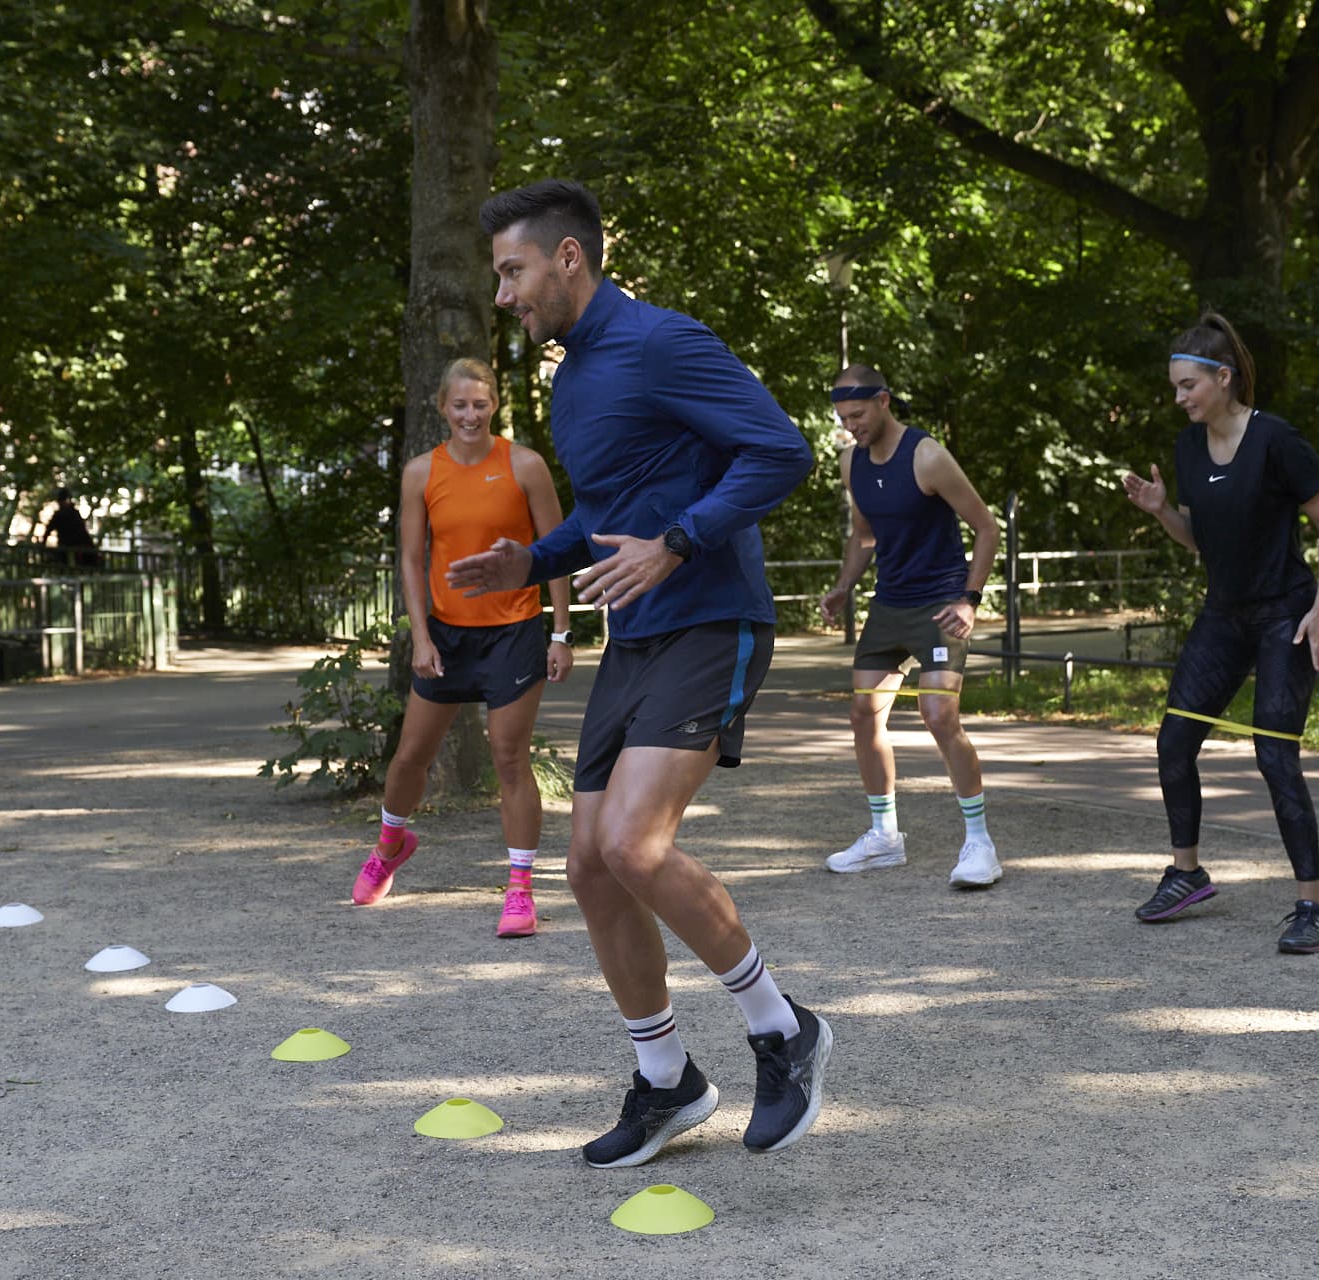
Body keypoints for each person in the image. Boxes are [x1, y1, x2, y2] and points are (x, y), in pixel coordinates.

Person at [448, 179, 830, 1168]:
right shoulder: (572, 376)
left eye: (512, 270)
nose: (504, 294)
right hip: (637, 634)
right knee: (588, 865)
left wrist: (678, 539)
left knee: (634, 841)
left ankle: (784, 1028)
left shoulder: (666, 341)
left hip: (712, 618)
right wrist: (529, 562)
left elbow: (781, 451)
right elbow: (602, 508)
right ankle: (668, 1081)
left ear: (568, 257)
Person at [1121, 312, 1319, 954]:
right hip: (1225, 612)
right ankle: (1186, 873)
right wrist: (1164, 511)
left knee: (1274, 755)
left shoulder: (1277, 439)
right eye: (1174, 387)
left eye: (1188, 385)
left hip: (1286, 613)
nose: (1179, 397)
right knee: (1173, 743)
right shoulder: (1188, 449)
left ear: (1223, 379)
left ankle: (1312, 906)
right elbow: (1205, 540)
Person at [353, 357, 575, 939]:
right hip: (447, 636)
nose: (470, 414)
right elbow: (410, 557)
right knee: (409, 757)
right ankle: (389, 846)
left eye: (480, 404)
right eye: (459, 405)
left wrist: (559, 632)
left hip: (515, 631)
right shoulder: (421, 472)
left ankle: (521, 890)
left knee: (508, 756)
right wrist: (421, 637)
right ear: (442, 408)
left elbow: (555, 551)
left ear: (494, 404)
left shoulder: (525, 465)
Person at [818, 367, 1004, 888]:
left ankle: (980, 844)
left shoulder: (927, 456)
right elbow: (863, 536)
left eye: (857, 415)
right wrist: (843, 587)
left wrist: (970, 601)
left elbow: (986, 527)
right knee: (862, 713)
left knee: (938, 714)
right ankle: (884, 838)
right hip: (889, 604)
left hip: (942, 602)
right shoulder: (852, 462)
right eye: (843, 418)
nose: (851, 426)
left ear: (883, 401)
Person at [39, 488, 98, 567]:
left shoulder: (72, 514)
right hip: (68, 547)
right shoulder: (61, 515)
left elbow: (82, 531)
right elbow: (48, 530)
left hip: (77, 547)